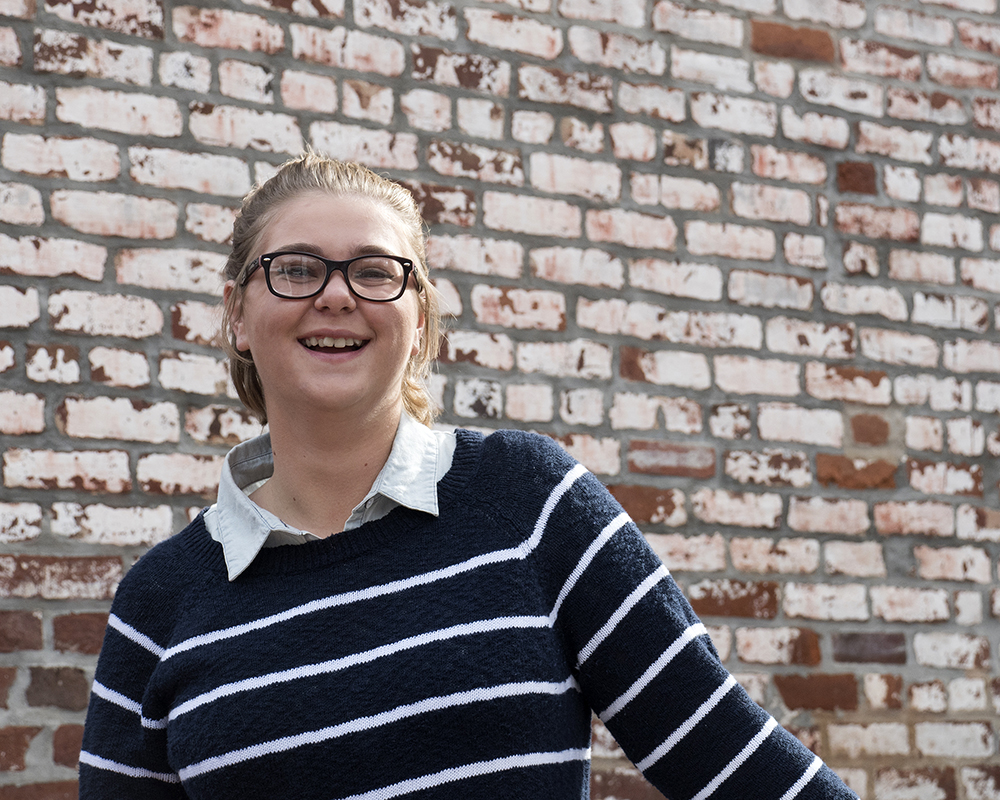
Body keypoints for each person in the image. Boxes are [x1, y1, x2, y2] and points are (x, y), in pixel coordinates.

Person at [79, 151, 857, 800]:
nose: (338, 295)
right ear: (238, 315)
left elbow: (730, 758)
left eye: (377, 272)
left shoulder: (529, 502)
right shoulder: (162, 599)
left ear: (419, 317)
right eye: (295, 269)